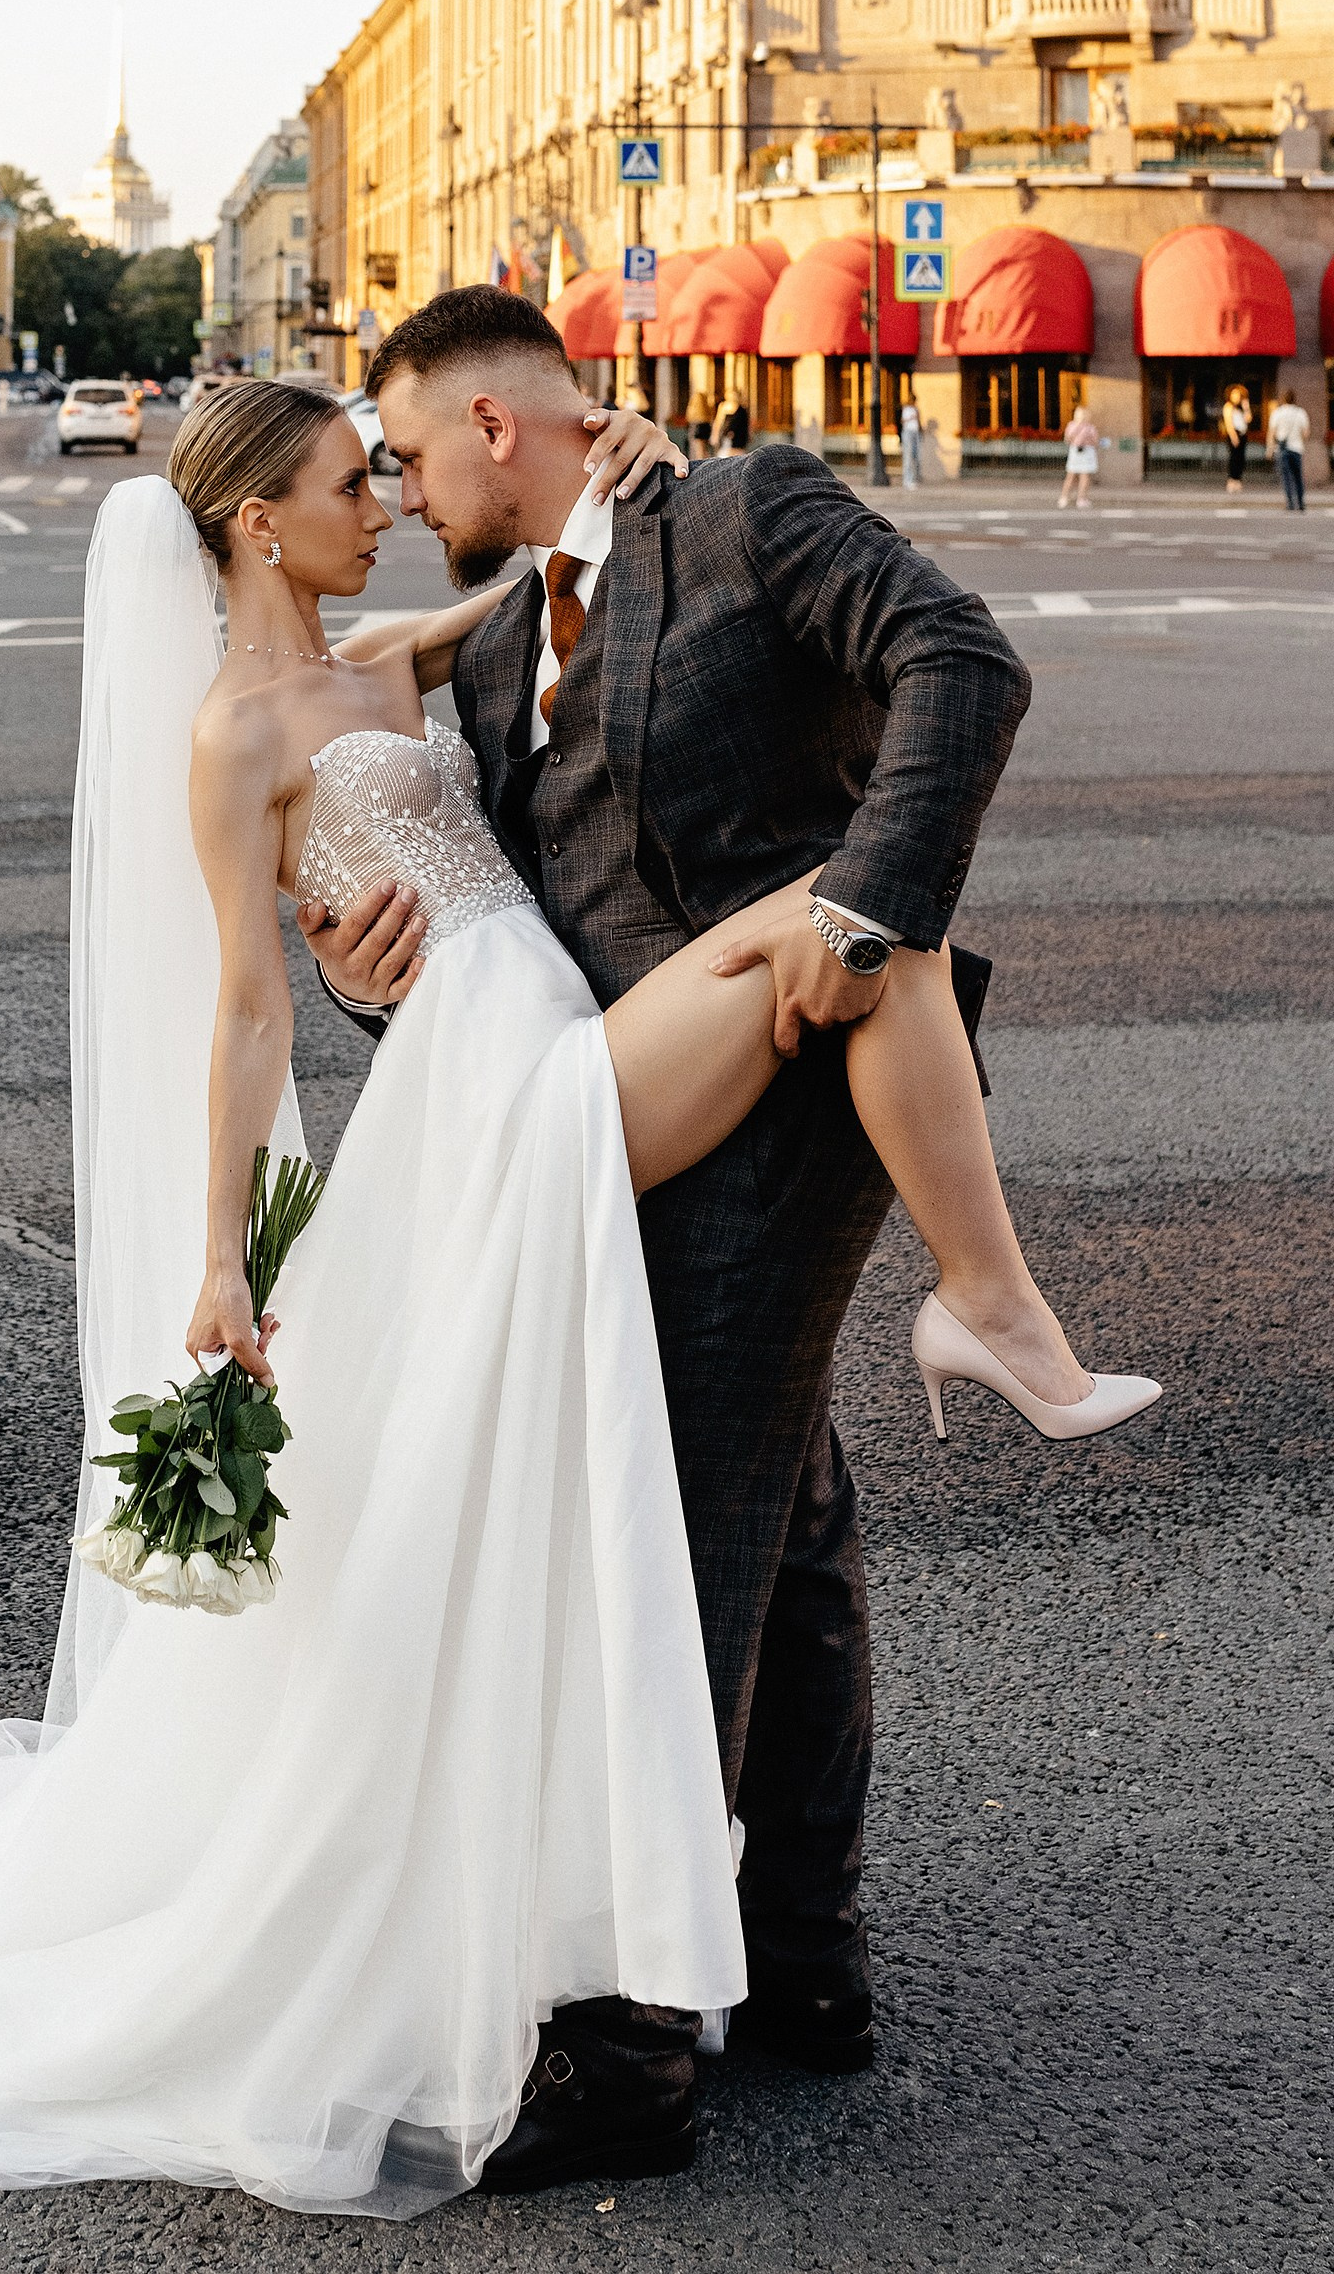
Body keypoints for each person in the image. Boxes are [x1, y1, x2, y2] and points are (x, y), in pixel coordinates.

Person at [0, 353, 1156, 2214]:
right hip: (490, 1084)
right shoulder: (230, 738)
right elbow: (249, 1007)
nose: (388, 503)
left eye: (394, 461)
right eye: (357, 481)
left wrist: (632, 447)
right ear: (258, 523)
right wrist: (221, 1246)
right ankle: (983, 1318)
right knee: (851, 932)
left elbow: (561, 565)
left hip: (549, 1036)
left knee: (839, 996)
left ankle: (959, 1372)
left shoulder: (400, 657)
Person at [299, 290, 1157, 2137]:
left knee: (680, 1520)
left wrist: (871, 904)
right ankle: (800, 1955)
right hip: (613, 1114)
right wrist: (373, 988)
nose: (403, 489)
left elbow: (961, 661)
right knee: (785, 1505)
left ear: (495, 424)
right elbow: (513, 936)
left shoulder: (743, 510)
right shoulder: (490, 651)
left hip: (797, 1079)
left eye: (411, 452)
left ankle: (629, 2050)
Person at [1270, 389, 1310, 512]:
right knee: (1298, 477)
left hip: (1282, 449)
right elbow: (1306, 433)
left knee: (1286, 478)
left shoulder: (1277, 413)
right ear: (1294, 399)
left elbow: (1272, 432)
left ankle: (1290, 503)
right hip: (1297, 448)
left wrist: (1270, 449)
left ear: (1283, 399)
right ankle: (1301, 503)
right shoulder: (1301, 413)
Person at [1058, 399, 1100, 510]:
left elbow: (1095, 441)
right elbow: (1068, 439)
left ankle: (1075, 498)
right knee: (1075, 476)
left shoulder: (1085, 427)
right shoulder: (1078, 426)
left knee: (1080, 476)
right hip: (1080, 452)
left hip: (1082, 451)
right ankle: (1071, 498)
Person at [1220, 383, 1252, 496]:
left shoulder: (1241, 407)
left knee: (1241, 458)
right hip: (1234, 434)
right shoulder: (1228, 406)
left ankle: (1238, 479)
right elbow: (1228, 423)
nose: (1236, 397)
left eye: (1238, 395)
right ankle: (1231, 480)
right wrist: (1234, 437)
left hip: (1243, 434)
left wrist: (1246, 407)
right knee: (1233, 458)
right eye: (1234, 394)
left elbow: (1248, 419)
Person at [898, 394, 922, 488]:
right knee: (908, 457)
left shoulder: (916, 409)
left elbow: (918, 422)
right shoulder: (906, 409)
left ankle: (914, 478)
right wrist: (911, 417)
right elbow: (902, 421)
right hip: (908, 433)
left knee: (916, 456)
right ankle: (907, 480)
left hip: (915, 433)